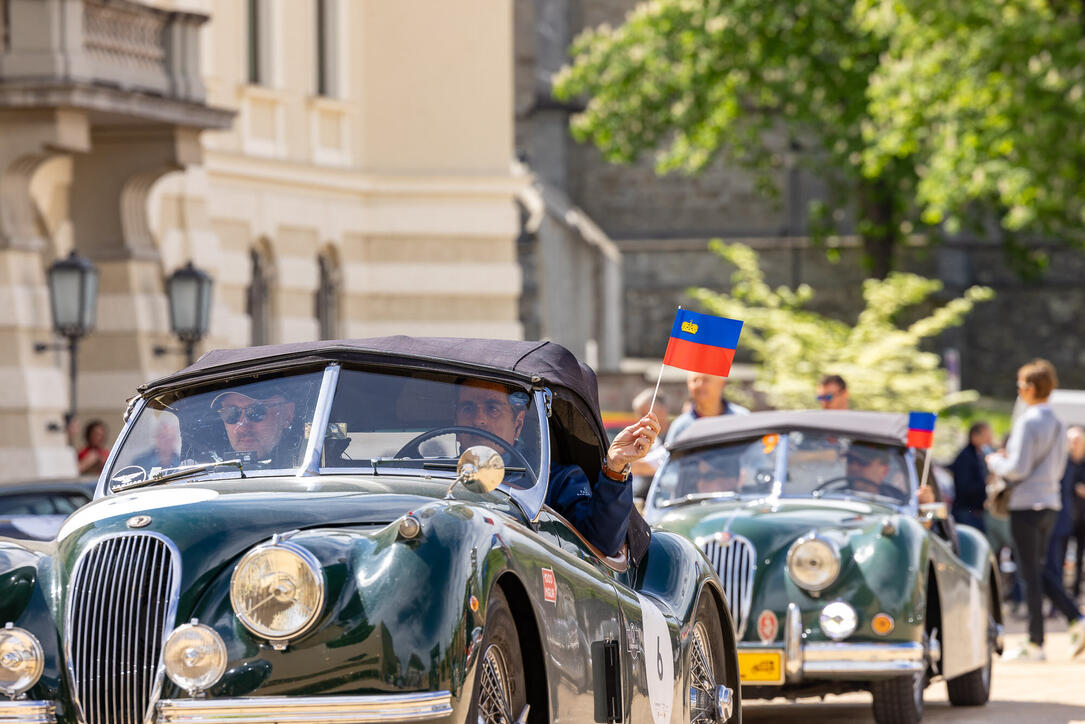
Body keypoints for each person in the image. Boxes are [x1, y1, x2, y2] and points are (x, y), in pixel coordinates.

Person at [454, 379, 659, 556]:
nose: (479, 420)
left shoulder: (554, 480)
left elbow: (601, 543)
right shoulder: (432, 473)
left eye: (492, 408)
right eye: (468, 408)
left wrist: (615, 466)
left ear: (517, 424)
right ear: (455, 421)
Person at [987, 359, 1084, 660]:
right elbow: (1056, 468)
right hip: (1051, 503)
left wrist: (994, 462)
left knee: (1030, 572)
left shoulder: (1029, 421)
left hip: (1026, 503)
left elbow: (1017, 468)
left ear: (1029, 388)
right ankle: (1066, 624)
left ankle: (1040, 640)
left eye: (1019, 387)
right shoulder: (1056, 422)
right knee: (1039, 569)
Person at [212, 384, 298, 465]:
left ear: (287, 415)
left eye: (256, 411)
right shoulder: (206, 469)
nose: (242, 428)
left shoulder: (304, 463)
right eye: (230, 413)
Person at [665, 371, 748, 445]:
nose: (699, 385)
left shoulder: (741, 418)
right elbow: (669, 460)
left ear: (721, 384)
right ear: (688, 385)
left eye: (706, 380)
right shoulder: (681, 426)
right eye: (695, 380)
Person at [949, 421, 993, 531]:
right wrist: (986, 483)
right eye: (986, 436)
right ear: (974, 436)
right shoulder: (966, 457)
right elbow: (964, 487)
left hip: (977, 512)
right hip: (966, 512)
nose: (989, 440)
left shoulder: (980, 454)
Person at [1060, 426, 1085, 599]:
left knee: (1080, 557)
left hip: (1083, 518)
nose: (1073, 444)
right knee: (1059, 558)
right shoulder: (1062, 462)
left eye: (1077, 441)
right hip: (1065, 518)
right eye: (1071, 440)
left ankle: (1076, 592)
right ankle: (1060, 596)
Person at [630, 388, 670, 499]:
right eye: (638, 415)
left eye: (644, 414)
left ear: (662, 411)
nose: (640, 420)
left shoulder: (675, 434)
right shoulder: (642, 438)